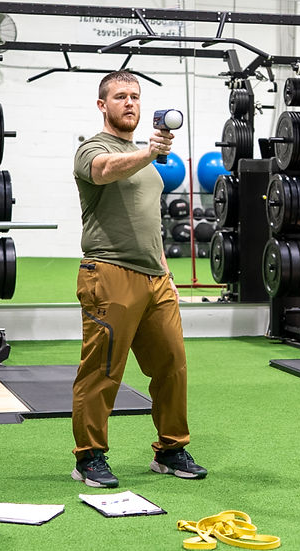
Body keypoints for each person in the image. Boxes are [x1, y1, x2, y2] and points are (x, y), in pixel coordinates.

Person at [70, 71, 207, 488]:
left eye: (135, 96)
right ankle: (89, 457)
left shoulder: (146, 158)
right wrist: (148, 153)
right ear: (103, 105)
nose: (129, 103)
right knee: (102, 371)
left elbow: (151, 221)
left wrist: (165, 269)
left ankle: (170, 449)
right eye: (120, 97)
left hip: (155, 279)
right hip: (109, 272)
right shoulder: (92, 149)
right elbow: (105, 170)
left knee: (172, 365)